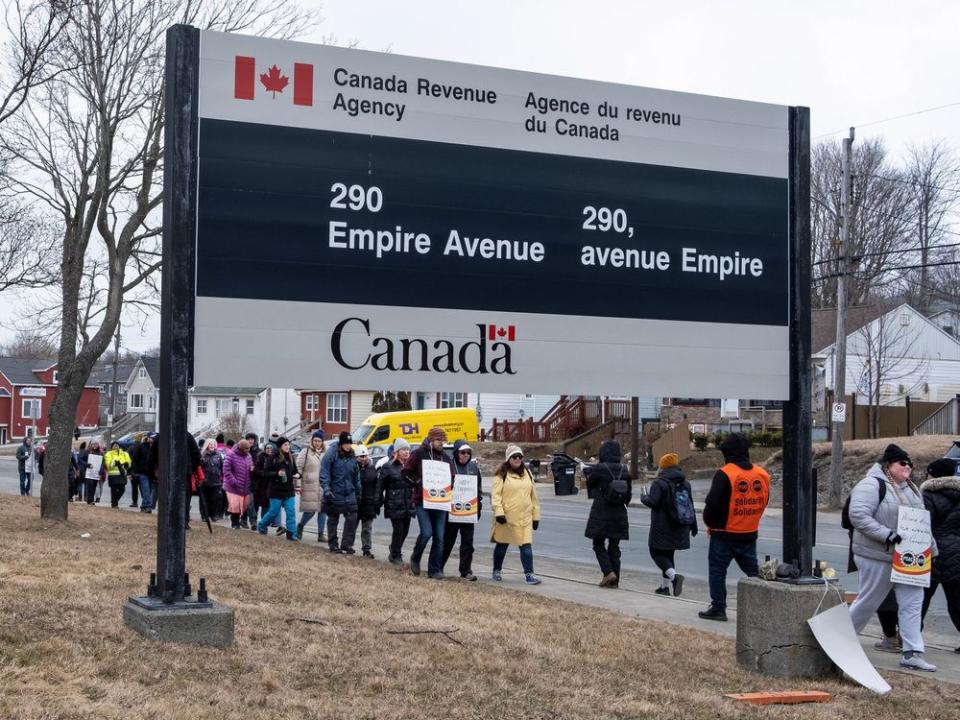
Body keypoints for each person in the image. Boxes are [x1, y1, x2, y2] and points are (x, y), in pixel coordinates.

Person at [848, 444, 937, 672]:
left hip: (910, 559)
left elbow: (921, 522)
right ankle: (840, 639)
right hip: (878, 556)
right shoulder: (871, 485)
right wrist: (887, 535)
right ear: (889, 465)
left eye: (910, 463)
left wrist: (931, 550)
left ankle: (912, 652)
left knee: (912, 604)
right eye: (902, 463)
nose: (908, 467)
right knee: (869, 601)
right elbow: (858, 515)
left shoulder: (911, 489)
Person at [699, 433, 769, 622]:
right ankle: (768, 606)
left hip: (724, 533)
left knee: (717, 571)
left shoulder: (726, 473)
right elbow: (764, 501)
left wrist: (711, 524)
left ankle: (718, 607)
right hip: (749, 532)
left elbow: (712, 504)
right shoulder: (762, 474)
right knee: (754, 572)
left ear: (726, 453)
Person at [641, 452, 698, 596]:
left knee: (655, 552)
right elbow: (690, 504)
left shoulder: (659, 483)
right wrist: (693, 525)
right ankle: (664, 587)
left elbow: (653, 502)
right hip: (681, 524)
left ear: (663, 466)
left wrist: (644, 497)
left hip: (662, 525)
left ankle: (674, 577)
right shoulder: (685, 483)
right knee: (668, 554)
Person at [404, 427, 455, 579]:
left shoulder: (445, 458)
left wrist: (449, 484)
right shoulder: (418, 454)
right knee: (427, 532)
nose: (441, 443)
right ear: (431, 439)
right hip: (422, 501)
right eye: (439, 440)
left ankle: (434, 570)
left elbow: (452, 476)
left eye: (443, 440)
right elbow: (406, 472)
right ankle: (416, 557)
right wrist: (419, 482)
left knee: (439, 537)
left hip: (440, 502)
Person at [921, 458, 960, 654]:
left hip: (933, 553)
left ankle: (909, 638)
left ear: (933, 474)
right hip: (957, 554)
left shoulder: (928, 494)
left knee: (920, 599)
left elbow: (923, 525)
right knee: (956, 600)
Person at [584, 440, 632, 588]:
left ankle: (608, 572)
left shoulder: (600, 468)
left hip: (601, 511)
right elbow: (628, 494)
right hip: (619, 513)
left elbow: (590, 484)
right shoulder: (624, 469)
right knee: (614, 546)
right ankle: (615, 580)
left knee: (598, 543)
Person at [491, 445, 542, 585]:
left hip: (525, 518)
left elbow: (534, 497)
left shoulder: (528, 473)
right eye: (514, 457)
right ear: (508, 459)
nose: (518, 459)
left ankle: (529, 574)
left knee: (526, 547)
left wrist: (536, 516)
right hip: (507, 519)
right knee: (502, 546)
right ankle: (496, 570)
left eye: (520, 456)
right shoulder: (501, 474)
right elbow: (495, 497)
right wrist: (499, 513)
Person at [442, 439, 483, 581]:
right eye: (462, 452)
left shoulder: (473, 468)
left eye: (468, 452)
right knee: (448, 541)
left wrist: (478, 509)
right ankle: (439, 567)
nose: (465, 455)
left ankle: (466, 570)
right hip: (452, 512)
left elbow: (478, 490)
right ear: (456, 453)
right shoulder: (449, 466)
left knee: (468, 543)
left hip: (468, 512)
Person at [320, 431, 361, 554]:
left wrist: (358, 492)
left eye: (350, 444)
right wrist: (326, 489)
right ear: (341, 443)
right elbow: (324, 473)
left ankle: (346, 544)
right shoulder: (331, 454)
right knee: (333, 519)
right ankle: (333, 544)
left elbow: (356, 476)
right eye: (346, 444)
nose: (349, 446)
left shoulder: (352, 455)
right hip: (334, 492)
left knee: (352, 517)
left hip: (349, 493)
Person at [379, 438, 415, 565]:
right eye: (404, 449)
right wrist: (378, 501)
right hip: (394, 503)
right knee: (398, 529)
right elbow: (380, 486)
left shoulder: (410, 466)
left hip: (408, 503)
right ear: (397, 451)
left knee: (405, 530)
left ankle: (394, 547)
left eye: (408, 450)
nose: (406, 452)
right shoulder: (388, 466)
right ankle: (395, 555)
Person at [257, 437, 300, 540]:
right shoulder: (273, 457)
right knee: (273, 512)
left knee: (291, 512)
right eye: (285, 445)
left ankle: (291, 534)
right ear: (280, 446)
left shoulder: (291, 457)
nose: (287, 447)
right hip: (276, 490)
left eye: (288, 445)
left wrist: (298, 475)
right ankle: (262, 526)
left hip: (289, 490)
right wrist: (277, 473)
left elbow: (295, 471)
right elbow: (265, 473)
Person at [295, 431, 327, 542]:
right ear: (312, 441)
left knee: (323, 510)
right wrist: (298, 485)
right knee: (310, 511)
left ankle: (321, 534)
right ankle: (300, 526)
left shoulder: (325, 453)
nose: (317, 443)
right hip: (309, 485)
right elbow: (298, 469)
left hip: (322, 485)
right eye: (315, 440)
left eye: (319, 441)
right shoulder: (306, 451)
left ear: (322, 442)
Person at [356, 443, 381, 558]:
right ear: (356, 457)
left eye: (365, 456)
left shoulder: (372, 468)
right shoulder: (353, 467)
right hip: (356, 502)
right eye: (361, 456)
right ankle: (347, 545)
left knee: (367, 528)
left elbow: (377, 485)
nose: (364, 458)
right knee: (351, 526)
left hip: (369, 503)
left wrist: (377, 500)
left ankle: (366, 549)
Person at [223, 439, 255, 528]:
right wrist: (233, 481)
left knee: (244, 505)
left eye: (249, 448)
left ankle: (242, 521)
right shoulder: (231, 455)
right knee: (235, 505)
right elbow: (226, 470)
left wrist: (252, 469)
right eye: (246, 449)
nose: (248, 450)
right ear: (241, 448)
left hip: (245, 485)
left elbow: (250, 465)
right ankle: (235, 524)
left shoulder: (249, 456)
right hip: (233, 486)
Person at [251, 442, 277, 532]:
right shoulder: (260, 457)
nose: (269, 450)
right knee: (256, 505)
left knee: (266, 506)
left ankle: (263, 524)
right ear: (265, 449)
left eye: (271, 449)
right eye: (268, 449)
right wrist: (263, 473)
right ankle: (254, 522)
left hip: (269, 485)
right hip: (260, 485)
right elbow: (256, 470)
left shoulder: (275, 458)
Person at [199, 439, 225, 522]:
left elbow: (221, 467)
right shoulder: (202, 455)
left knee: (215, 500)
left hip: (216, 481)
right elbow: (199, 467)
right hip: (205, 481)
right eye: (210, 444)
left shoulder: (218, 455)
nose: (212, 445)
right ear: (207, 445)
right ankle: (204, 515)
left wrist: (221, 478)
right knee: (204, 499)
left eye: (214, 444)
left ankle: (214, 515)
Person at [103, 440, 132, 509]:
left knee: (122, 490)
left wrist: (127, 464)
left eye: (117, 445)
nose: (115, 446)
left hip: (122, 475)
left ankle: (114, 501)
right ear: (112, 447)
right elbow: (108, 465)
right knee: (114, 490)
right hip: (113, 475)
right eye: (114, 445)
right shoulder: (108, 454)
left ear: (119, 446)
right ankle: (114, 504)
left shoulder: (125, 454)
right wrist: (115, 463)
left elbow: (129, 463)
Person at [130, 433, 154, 513]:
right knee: (146, 490)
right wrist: (133, 472)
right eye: (150, 438)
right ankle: (147, 506)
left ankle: (144, 506)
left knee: (148, 491)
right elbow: (134, 459)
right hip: (142, 472)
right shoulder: (141, 447)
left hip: (151, 473)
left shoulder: (154, 448)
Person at [243, 432, 261, 530]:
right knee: (249, 502)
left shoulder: (258, 452)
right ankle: (253, 521)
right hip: (245, 480)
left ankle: (243, 520)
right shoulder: (242, 451)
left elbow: (262, 465)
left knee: (254, 503)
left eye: (252, 439)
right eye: (249, 439)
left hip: (256, 480)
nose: (250, 441)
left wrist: (255, 469)